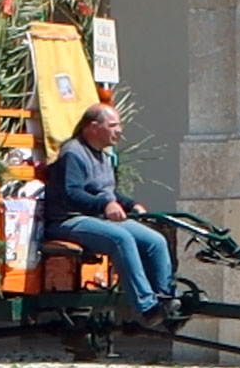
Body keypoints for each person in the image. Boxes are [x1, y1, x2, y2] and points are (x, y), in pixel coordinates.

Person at [43, 103, 176, 328]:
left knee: (156, 241)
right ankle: (146, 307)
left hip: (97, 219)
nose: (119, 130)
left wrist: (131, 205)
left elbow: (109, 192)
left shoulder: (105, 157)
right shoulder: (73, 153)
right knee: (121, 239)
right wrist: (105, 205)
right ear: (93, 127)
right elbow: (71, 193)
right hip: (68, 220)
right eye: (113, 125)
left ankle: (166, 301)